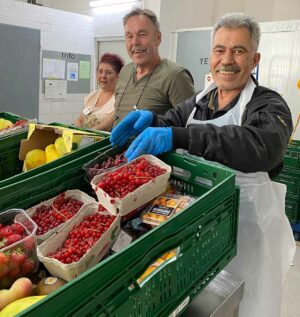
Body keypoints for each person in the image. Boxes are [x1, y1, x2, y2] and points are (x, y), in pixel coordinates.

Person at [110, 12, 296, 317]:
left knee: (247, 304)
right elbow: (172, 122)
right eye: (220, 50)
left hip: (249, 237)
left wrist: (180, 136)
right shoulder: (201, 101)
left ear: (255, 59)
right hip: (202, 229)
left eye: (239, 51)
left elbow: (262, 147)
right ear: (211, 56)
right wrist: (151, 121)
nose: (227, 60)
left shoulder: (269, 104)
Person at [113, 8, 195, 125]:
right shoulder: (124, 71)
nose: (135, 42)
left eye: (142, 34)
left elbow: (190, 126)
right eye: (129, 36)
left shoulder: (175, 76)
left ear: (158, 37)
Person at [75, 53, 124, 131]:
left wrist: (85, 135)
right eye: (100, 71)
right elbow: (80, 120)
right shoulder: (92, 95)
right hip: (83, 140)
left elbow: (105, 126)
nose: (103, 76)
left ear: (118, 76)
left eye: (108, 73)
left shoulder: (121, 99)